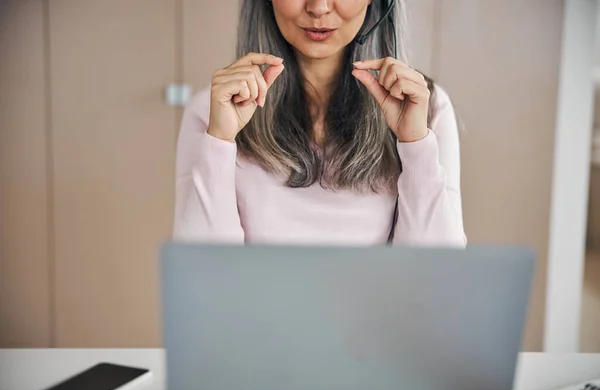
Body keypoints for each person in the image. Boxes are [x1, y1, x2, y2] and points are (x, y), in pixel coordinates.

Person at [174, 0, 466, 247]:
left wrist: (415, 144)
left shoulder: (426, 105)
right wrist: (220, 142)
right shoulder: (210, 110)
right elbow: (202, 275)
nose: (319, 8)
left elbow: (436, 275)